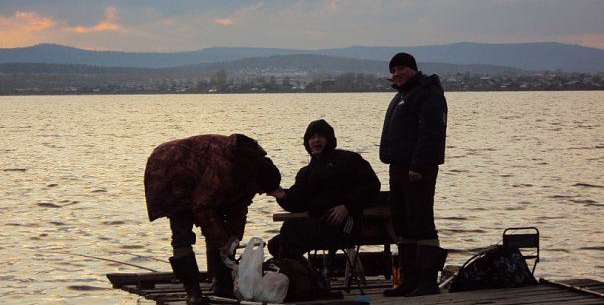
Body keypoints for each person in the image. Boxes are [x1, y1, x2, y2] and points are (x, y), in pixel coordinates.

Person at [144, 133, 281, 305]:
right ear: (255, 181)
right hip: (169, 169)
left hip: (199, 172)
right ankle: (193, 292)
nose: (260, 193)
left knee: (217, 228)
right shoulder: (225, 169)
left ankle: (221, 284)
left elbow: (238, 209)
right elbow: (202, 206)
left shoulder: (246, 172)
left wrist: (233, 239)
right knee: (182, 231)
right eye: (261, 189)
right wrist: (222, 242)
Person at [380, 52, 448, 297]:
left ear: (413, 69)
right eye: (393, 70)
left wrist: (418, 165)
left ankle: (427, 281)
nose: (396, 73)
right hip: (397, 167)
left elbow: (432, 132)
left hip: (418, 169)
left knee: (421, 222)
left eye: (401, 68)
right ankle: (408, 280)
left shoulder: (428, 93)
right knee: (403, 223)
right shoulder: (401, 95)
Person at [267, 119, 381, 260]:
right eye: (312, 137)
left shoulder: (349, 160)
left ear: (329, 139)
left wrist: (347, 207)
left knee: (290, 228)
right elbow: (299, 202)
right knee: (275, 245)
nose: (316, 140)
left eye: (321, 136)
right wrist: (282, 195)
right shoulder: (306, 172)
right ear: (307, 142)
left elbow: (372, 186)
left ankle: (294, 271)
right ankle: (302, 271)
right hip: (320, 223)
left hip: (347, 224)